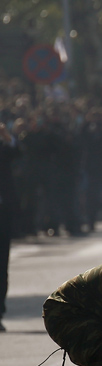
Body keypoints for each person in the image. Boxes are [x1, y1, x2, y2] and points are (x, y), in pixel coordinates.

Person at [0, 121, 21, 332]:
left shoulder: (4, 149)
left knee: (1, 266)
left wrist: (6, 136)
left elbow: (16, 153)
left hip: (2, 215)